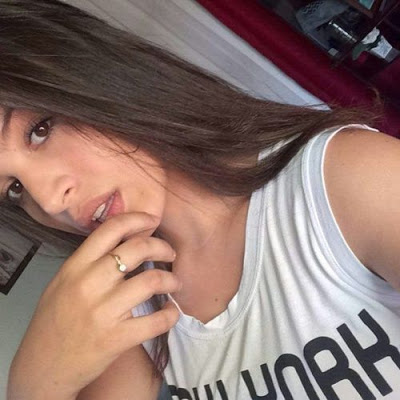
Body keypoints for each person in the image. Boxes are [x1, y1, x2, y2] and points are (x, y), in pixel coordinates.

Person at [2, 1, 400, 399]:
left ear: (94, 77)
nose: (49, 201)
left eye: (40, 130)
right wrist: (33, 384)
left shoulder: (342, 179)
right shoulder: (132, 307)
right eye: (14, 189)